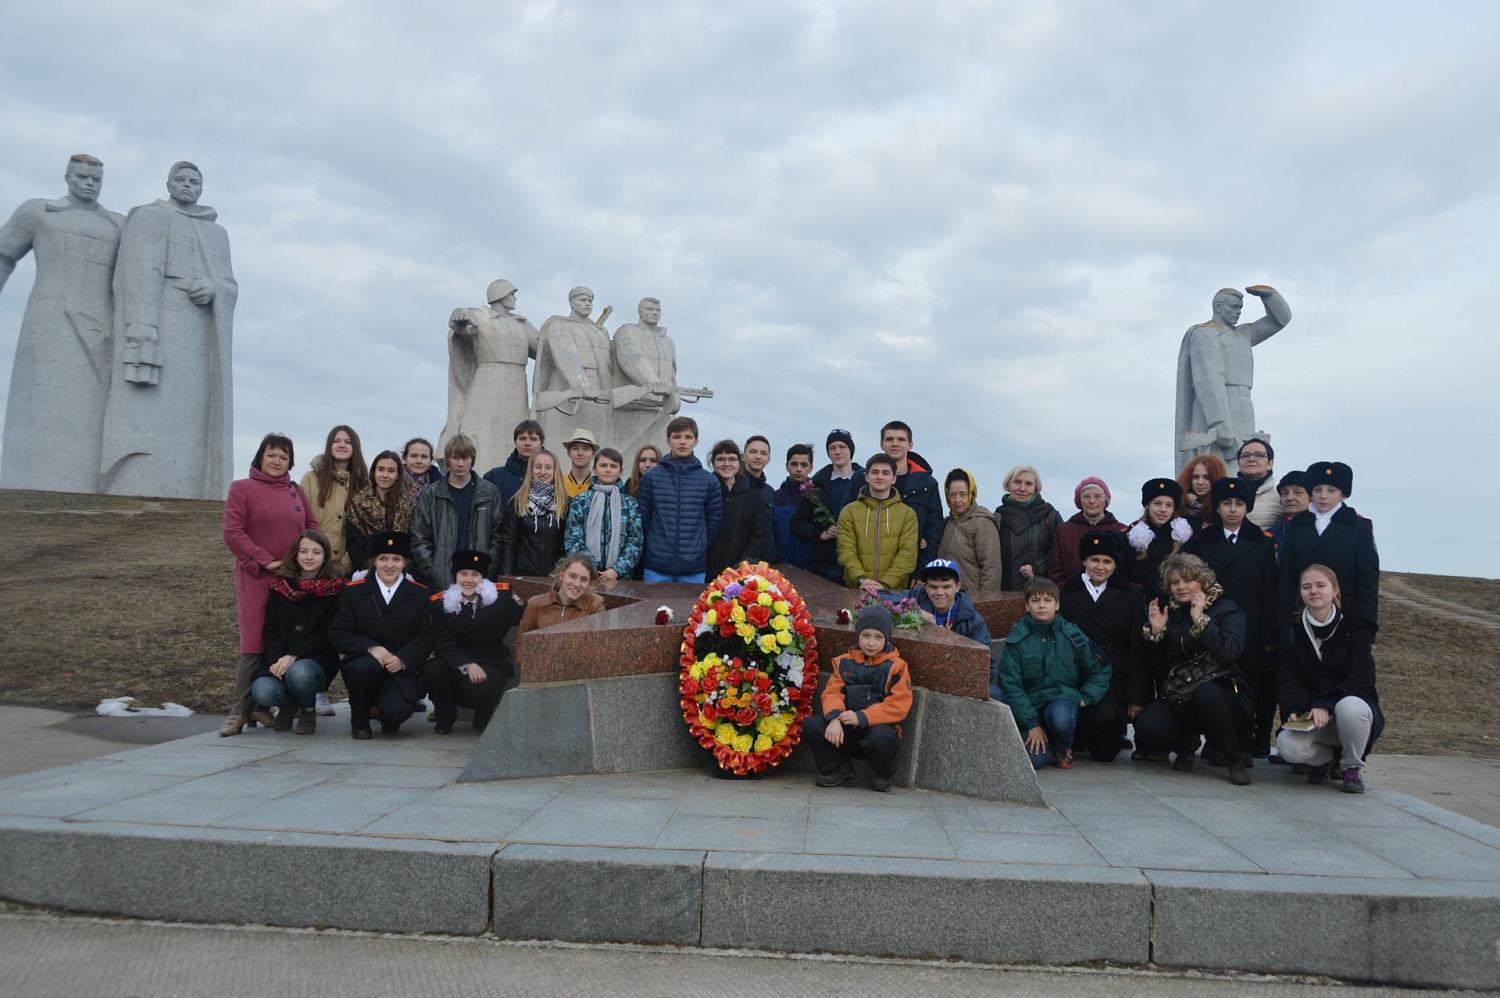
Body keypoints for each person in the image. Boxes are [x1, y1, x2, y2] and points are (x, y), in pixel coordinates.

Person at [102, 161, 236, 499]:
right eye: (181, 179)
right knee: (148, 411)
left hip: (199, 329)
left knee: (191, 416)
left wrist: (214, 287)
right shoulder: (151, 217)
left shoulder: (216, 233)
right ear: (168, 184)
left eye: (194, 181)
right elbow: (136, 271)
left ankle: (188, 487)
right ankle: (135, 482)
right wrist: (142, 325)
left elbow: (228, 284)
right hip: (159, 322)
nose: (187, 185)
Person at [0, 153, 123, 493]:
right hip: (48, 320)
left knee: (91, 412)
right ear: (68, 177)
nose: (89, 183)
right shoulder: (37, 212)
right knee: (39, 403)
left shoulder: (118, 225)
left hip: (101, 329)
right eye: (82, 177)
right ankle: (26, 484)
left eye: (95, 179)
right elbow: (3, 254)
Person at [222, 433, 321, 736]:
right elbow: (233, 532)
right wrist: (265, 560)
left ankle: (263, 707)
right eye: (272, 455)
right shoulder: (242, 488)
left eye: (283, 456)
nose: (277, 461)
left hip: (292, 578)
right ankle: (239, 711)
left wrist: (306, 558)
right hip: (258, 578)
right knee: (254, 643)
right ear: (260, 457)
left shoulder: (296, 491)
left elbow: (313, 527)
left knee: (286, 637)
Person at [1131, 553, 1253, 785]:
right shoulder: (1171, 613)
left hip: (1223, 690)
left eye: (1187, 580)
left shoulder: (1227, 608)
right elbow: (1159, 667)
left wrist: (1201, 621)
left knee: (1206, 694)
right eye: (1175, 582)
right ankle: (1185, 745)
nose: (1181, 587)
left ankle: (1233, 759)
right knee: (1148, 727)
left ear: (1203, 581)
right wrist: (1156, 634)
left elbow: (1230, 652)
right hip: (1182, 691)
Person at [1186, 477, 1279, 759]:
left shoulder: (1262, 543)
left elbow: (1270, 591)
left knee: (1247, 688)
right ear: (1217, 507)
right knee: (1213, 684)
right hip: (1212, 626)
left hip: (1250, 629)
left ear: (1247, 506)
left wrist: (1268, 637)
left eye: (1239, 503)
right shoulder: (1202, 541)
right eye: (1226, 503)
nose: (1233, 509)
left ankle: (1241, 744)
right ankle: (1215, 742)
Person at [1275, 564, 1384, 793]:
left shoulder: (1356, 629)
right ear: (1300, 593)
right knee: (1287, 746)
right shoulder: (1291, 634)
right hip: (1315, 717)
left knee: (1350, 706)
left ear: (1335, 591)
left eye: (1320, 585)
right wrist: (1295, 707)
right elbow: (1288, 681)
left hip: (1352, 715)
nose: (1313, 591)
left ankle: (1351, 768)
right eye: (1307, 587)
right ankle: (1325, 760)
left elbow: (1360, 681)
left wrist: (1326, 704)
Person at [994, 578, 1110, 770]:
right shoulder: (1018, 638)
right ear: (1026, 605)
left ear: (1057, 605)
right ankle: (1039, 739)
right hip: (1030, 707)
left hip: (1061, 700)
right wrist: (1031, 724)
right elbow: (1010, 684)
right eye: (1036, 601)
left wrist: (1086, 698)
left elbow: (1100, 669)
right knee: (1035, 763)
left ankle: (1063, 746)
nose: (1042, 606)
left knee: (1060, 717)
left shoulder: (1072, 634)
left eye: (1048, 600)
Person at [1173, 285, 1291, 473]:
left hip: (1242, 404)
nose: (1238, 313)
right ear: (1218, 307)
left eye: (1240, 308)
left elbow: (1280, 321)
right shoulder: (1205, 333)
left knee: (1242, 465)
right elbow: (1208, 378)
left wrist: (1270, 297)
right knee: (1215, 467)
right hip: (1216, 406)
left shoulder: (1242, 334)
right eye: (1233, 307)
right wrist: (1219, 422)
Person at [800, 604, 912, 792]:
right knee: (812, 725)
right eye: (865, 635)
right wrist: (835, 718)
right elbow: (832, 692)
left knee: (882, 737)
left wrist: (862, 717)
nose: (871, 643)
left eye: (878, 637)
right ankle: (838, 769)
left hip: (876, 731)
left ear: (886, 639)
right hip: (846, 729)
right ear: (858, 636)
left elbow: (899, 704)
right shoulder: (843, 661)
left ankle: (883, 774)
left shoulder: (897, 666)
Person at [329, 531, 430, 739]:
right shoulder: (353, 592)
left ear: (405, 563)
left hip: (399, 669)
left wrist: (403, 659)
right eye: (383, 559)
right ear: (374, 561)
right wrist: (371, 648)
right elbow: (338, 634)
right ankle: (359, 719)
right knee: (364, 667)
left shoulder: (420, 594)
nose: (389, 565)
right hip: (365, 664)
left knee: (395, 713)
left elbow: (427, 637)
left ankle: (386, 713)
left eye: (396, 559)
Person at [1058, 530, 1143, 762]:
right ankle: (1074, 733)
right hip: (1075, 677)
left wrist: (1134, 696)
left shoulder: (1131, 595)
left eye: (1107, 561)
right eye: (1094, 560)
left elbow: (1136, 647)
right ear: (1084, 560)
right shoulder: (1067, 592)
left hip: (1113, 679)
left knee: (1106, 753)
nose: (1100, 566)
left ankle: (1092, 732)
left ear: (1115, 564)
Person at [440, 277, 538, 474]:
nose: (514, 298)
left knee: (515, 429)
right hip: (488, 380)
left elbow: (541, 350)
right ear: (499, 296)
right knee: (482, 430)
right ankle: (477, 471)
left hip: (517, 381)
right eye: (511, 294)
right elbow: (462, 326)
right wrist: (459, 317)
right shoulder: (480, 316)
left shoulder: (522, 323)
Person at [250, 529, 344, 735]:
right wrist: (276, 658)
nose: (309, 557)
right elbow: (271, 629)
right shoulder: (280, 585)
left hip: (316, 660)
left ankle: (308, 710)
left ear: (326, 556)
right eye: (304, 551)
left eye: (316, 552)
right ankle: (290, 704)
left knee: (299, 673)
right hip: (280, 656)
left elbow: (328, 634)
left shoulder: (336, 588)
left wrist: (294, 656)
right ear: (296, 554)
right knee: (262, 691)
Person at [422, 549, 525, 734]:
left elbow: (527, 616)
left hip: (491, 661)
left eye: (475, 574)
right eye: (463, 574)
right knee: (432, 670)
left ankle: (484, 715)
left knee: (481, 690)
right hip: (455, 662)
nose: (468, 580)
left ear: (482, 578)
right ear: (455, 576)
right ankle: (445, 717)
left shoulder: (501, 598)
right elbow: (442, 642)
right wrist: (466, 664)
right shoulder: (441, 603)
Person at [1277, 461, 1379, 640]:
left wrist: (1365, 625)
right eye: (1317, 490)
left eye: (1331, 490)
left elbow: (1368, 580)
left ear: (1343, 494)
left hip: (1347, 618)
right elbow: (1287, 576)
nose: (1323, 496)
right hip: (1302, 617)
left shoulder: (1359, 527)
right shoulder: (1296, 526)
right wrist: (1284, 623)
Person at [636, 416, 722, 584]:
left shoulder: (709, 481)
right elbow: (644, 518)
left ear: (696, 441)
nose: (682, 442)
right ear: (668, 440)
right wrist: (655, 544)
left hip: (693, 569)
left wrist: (700, 546)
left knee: (690, 611)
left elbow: (714, 522)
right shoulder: (652, 477)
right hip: (656, 567)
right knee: (653, 611)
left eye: (688, 437)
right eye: (677, 436)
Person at [410, 433, 503, 589]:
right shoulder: (430, 494)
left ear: (472, 459)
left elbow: (498, 537)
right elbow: (419, 538)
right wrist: (434, 571)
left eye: (465, 458)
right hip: (441, 579)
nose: (460, 464)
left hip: (478, 577)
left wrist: (487, 569)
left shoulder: (490, 493)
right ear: (447, 460)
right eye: (455, 458)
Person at [532, 286, 613, 447]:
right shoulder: (559, 324)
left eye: (590, 301)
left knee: (596, 443)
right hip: (567, 391)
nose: (587, 304)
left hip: (597, 393)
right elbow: (566, 355)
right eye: (582, 300)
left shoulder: (600, 331)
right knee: (558, 443)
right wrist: (580, 385)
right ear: (571, 303)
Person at [836, 453, 918, 592]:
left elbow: (907, 555)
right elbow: (845, 550)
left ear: (894, 478)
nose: (880, 477)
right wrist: (861, 579)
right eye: (875, 472)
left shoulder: (907, 514)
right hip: (857, 589)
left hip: (893, 592)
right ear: (867, 477)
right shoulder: (849, 511)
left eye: (886, 473)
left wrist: (885, 585)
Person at [792, 430, 864, 582]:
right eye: (832, 448)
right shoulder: (814, 485)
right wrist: (820, 533)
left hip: (859, 563)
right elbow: (796, 524)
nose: (837, 452)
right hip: (823, 566)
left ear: (851, 450)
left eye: (842, 447)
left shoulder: (867, 482)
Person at [563, 447, 643, 582]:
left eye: (613, 466)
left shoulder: (630, 503)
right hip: (586, 576)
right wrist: (590, 567)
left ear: (621, 471)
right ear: (594, 469)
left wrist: (617, 569)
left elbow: (635, 541)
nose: (608, 469)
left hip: (620, 577)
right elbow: (573, 538)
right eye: (603, 465)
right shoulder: (581, 501)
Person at [299, 425, 368, 577]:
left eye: (348, 442)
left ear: (355, 447)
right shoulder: (310, 479)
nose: (342, 445)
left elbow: (363, 529)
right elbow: (300, 521)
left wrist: (346, 564)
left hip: (348, 569)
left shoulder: (363, 484)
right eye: (336, 441)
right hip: (312, 565)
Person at [704, 439, 774, 577]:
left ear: (739, 461)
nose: (727, 464)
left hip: (739, 572)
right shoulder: (705, 492)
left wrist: (740, 567)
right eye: (721, 459)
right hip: (705, 569)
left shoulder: (753, 497)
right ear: (713, 463)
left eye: (732, 459)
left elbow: (757, 537)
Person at [498, 448, 569, 577]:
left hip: (556, 575)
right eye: (538, 467)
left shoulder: (565, 503)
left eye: (548, 468)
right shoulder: (518, 502)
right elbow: (509, 544)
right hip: (523, 573)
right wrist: (507, 576)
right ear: (531, 470)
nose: (542, 472)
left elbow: (568, 544)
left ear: (555, 471)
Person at [1125, 478, 1195, 606]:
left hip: (1175, 605)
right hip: (1140, 604)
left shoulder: (1184, 535)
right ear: (1147, 505)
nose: (1163, 509)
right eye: (1157, 503)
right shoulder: (1131, 534)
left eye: (1169, 505)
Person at [1048, 476, 1129, 585]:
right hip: (1071, 597)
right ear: (1079, 501)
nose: (1091, 501)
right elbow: (1055, 571)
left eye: (1097, 496)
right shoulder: (1063, 531)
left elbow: (1127, 568)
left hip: (1114, 598)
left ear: (1106, 500)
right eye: (1086, 496)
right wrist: (1067, 594)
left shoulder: (1121, 531)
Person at [346, 450, 417, 571]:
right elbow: (353, 543)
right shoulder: (358, 503)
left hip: (402, 569)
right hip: (366, 569)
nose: (385, 475)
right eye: (381, 469)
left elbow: (414, 541)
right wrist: (370, 568)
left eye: (391, 471)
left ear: (398, 475)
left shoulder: (409, 505)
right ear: (374, 472)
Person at [995, 465, 1063, 591]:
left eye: (1028, 484)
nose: (1022, 488)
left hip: (1042, 591)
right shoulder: (998, 517)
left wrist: (1038, 568)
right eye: (1017, 482)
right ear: (1008, 486)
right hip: (1005, 590)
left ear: (1035, 489)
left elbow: (1061, 552)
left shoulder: (1050, 515)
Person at [880, 421, 943, 556]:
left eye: (901, 439)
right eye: (889, 439)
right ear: (882, 444)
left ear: (910, 445)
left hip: (912, 564)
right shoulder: (863, 479)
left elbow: (934, 531)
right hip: (870, 564)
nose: (895, 443)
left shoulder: (928, 484)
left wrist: (922, 572)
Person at [938, 469, 1002, 593]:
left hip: (973, 598)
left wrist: (987, 603)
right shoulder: (947, 523)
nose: (957, 500)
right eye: (952, 495)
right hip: (948, 597)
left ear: (971, 494)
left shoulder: (982, 522)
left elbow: (991, 568)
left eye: (963, 494)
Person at [903, 559, 993, 645]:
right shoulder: (917, 596)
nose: (939, 593)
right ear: (925, 587)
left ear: (958, 587)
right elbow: (889, 600)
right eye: (933, 587)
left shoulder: (973, 621)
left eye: (946, 587)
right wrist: (915, 611)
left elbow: (986, 657)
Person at [518, 553, 607, 635]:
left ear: (589, 583)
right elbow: (522, 643)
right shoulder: (536, 604)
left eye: (584, 579)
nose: (577, 584)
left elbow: (600, 644)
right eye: (572, 576)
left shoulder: (594, 606)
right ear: (561, 575)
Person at [482, 419, 545, 508]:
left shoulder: (551, 478)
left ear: (541, 443)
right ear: (515, 442)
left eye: (533, 439)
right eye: (522, 438)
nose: (527, 443)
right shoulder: (493, 477)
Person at [771, 444, 815, 570]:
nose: (799, 469)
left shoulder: (819, 498)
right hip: (780, 567)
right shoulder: (775, 497)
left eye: (804, 465)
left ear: (811, 468)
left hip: (812, 571)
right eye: (794, 464)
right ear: (787, 466)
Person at [1235, 439, 1281, 531]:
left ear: (1270, 464)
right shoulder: (1226, 491)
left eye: (1259, 455)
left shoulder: (1280, 496)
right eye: (1245, 455)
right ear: (1239, 464)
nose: (1251, 459)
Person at [1177, 454, 1228, 532]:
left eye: (1206, 477)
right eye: (1195, 477)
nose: (1200, 482)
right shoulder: (1178, 505)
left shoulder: (1224, 509)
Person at [1269, 469, 1309, 549]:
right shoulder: (1271, 534)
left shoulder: (1324, 529)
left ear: (1312, 497)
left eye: (1297, 492)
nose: (1289, 498)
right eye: (1285, 493)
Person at [560, 428, 598, 500]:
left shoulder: (599, 486)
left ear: (593, 454)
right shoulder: (559, 483)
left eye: (586, 449)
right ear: (568, 453)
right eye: (575, 448)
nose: (580, 453)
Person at [742, 435, 775, 511]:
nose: (758, 457)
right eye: (753, 452)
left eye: (763, 453)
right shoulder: (733, 486)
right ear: (743, 456)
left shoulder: (770, 492)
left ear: (768, 459)